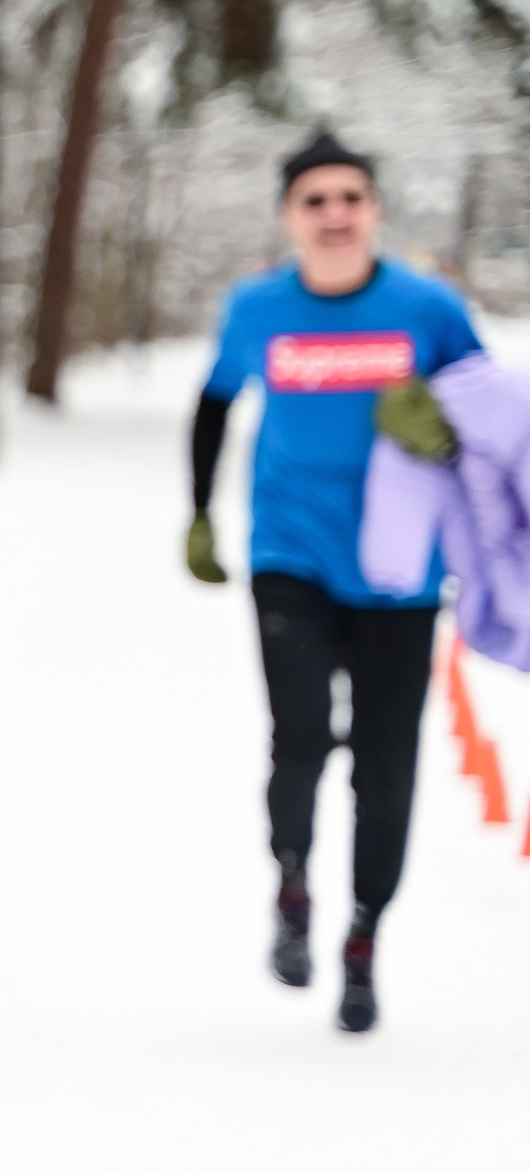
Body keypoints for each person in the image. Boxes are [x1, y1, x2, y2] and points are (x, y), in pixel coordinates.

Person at [188, 131, 482, 1034]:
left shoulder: (424, 308)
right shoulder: (257, 311)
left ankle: (362, 939)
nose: (334, 215)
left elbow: (490, 415)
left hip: (401, 569)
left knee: (388, 768)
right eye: (315, 201)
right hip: (292, 558)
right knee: (303, 739)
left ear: (375, 211)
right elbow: (213, 405)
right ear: (289, 218)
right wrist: (199, 513)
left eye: (350, 197)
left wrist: (445, 429)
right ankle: (293, 884)